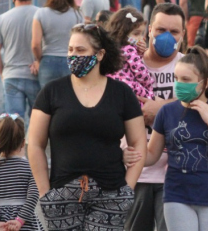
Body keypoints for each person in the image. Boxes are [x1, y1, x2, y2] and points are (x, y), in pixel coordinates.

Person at [28, 24, 147, 231]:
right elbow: (35, 144)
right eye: (70, 50)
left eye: (81, 50)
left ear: (100, 54)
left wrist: (128, 189)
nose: (73, 55)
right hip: (62, 196)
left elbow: (138, 142)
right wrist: (45, 193)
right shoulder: (51, 92)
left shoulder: (122, 93)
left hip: (111, 194)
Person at [145, 48, 208, 231]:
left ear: (205, 83)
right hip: (177, 195)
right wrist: (126, 152)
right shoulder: (167, 111)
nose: (179, 84)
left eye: (186, 80)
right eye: (176, 78)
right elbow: (151, 155)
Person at [126, 3, 187, 231]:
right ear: (149, 30)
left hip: (174, 174)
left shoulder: (189, 67)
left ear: (183, 34)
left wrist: (160, 108)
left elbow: (202, 103)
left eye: (174, 31)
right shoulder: (129, 66)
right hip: (134, 172)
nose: (166, 37)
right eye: (160, 30)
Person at [0, 114, 43, 231]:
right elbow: (33, 196)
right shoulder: (30, 167)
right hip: (26, 223)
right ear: (23, 143)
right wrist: (20, 220)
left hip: (0, 223)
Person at [0, 0, 40, 118]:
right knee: (39, 120)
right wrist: (39, 62)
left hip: (11, 75)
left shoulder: (3, 18)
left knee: (14, 121)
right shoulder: (41, 15)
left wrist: (3, 73)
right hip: (35, 75)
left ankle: (17, 140)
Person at [32, 0, 84, 89]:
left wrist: (39, 60)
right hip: (71, 60)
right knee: (70, 99)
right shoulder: (78, 15)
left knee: (48, 101)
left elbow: (35, 44)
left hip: (48, 62)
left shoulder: (40, 14)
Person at [106, 7, 155, 102]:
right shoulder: (129, 49)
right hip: (131, 88)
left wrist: (139, 53)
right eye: (136, 34)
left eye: (142, 34)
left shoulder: (113, 49)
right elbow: (141, 74)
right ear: (123, 33)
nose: (140, 38)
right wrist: (149, 84)